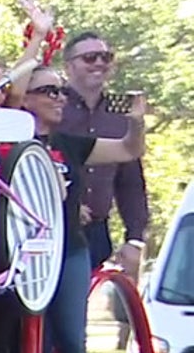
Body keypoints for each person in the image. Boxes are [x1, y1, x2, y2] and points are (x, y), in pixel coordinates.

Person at [21, 66, 146, 353]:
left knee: (72, 338)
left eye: (61, 92)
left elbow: (128, 149)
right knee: (31, 343)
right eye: (48, 91)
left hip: (70, 248)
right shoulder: (10, 140)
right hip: (26, 252)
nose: (59, 98)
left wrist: (136, 122)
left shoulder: (70, 142)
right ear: (24, 98)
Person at [58, 31, 150, 294]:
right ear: (69, 66)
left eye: (106, 57)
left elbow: (131, 183)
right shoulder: (52, 105)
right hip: (55, 225)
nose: (99, 63)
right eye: (89, 58)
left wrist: (134, 238)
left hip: (96, 232)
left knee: (79, 313)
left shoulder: (121, 115)